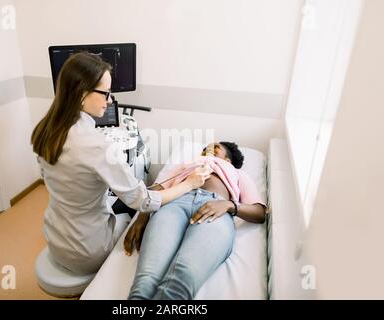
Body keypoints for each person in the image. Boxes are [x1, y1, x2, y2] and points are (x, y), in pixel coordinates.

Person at [31, 52, 209, 276]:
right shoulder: (96, 145)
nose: (109, 100)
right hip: (86, 252)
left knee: (115, 199)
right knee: (129, 213)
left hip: (55, 240)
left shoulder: (45, 129)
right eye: (105, 93)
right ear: (81, 94)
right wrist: (189, 184)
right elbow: (142, 201)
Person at [124, 142, 267, 299]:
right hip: (174, 204)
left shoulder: (236, 173)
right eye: (205, 149)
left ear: (227, 159)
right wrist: (142, 216)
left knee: (180, 282)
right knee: (146, 280)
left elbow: (259, 212)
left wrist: (229, 205)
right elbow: (157, 189)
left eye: (216, 148)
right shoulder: (188, 165)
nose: (208, 150)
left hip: (215, 208)